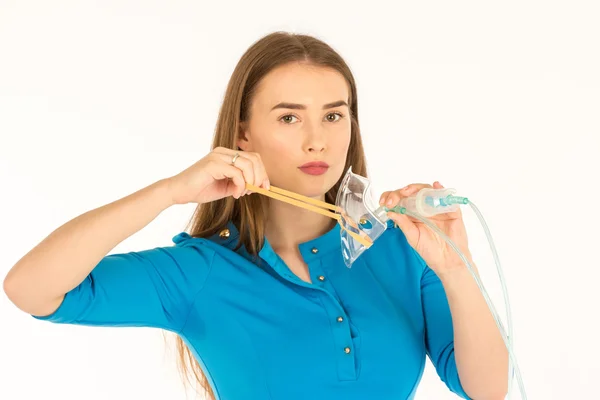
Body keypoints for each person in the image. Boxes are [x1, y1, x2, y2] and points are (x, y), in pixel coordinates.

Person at [3, 32, 508, 400]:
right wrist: (168, 192)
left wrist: (455, 267)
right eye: (290, 117)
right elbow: (30, 289)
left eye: (334, 115)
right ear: (242, 135)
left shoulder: (402, 248)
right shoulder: (201, 271)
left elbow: (486, 390)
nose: (318, 140)